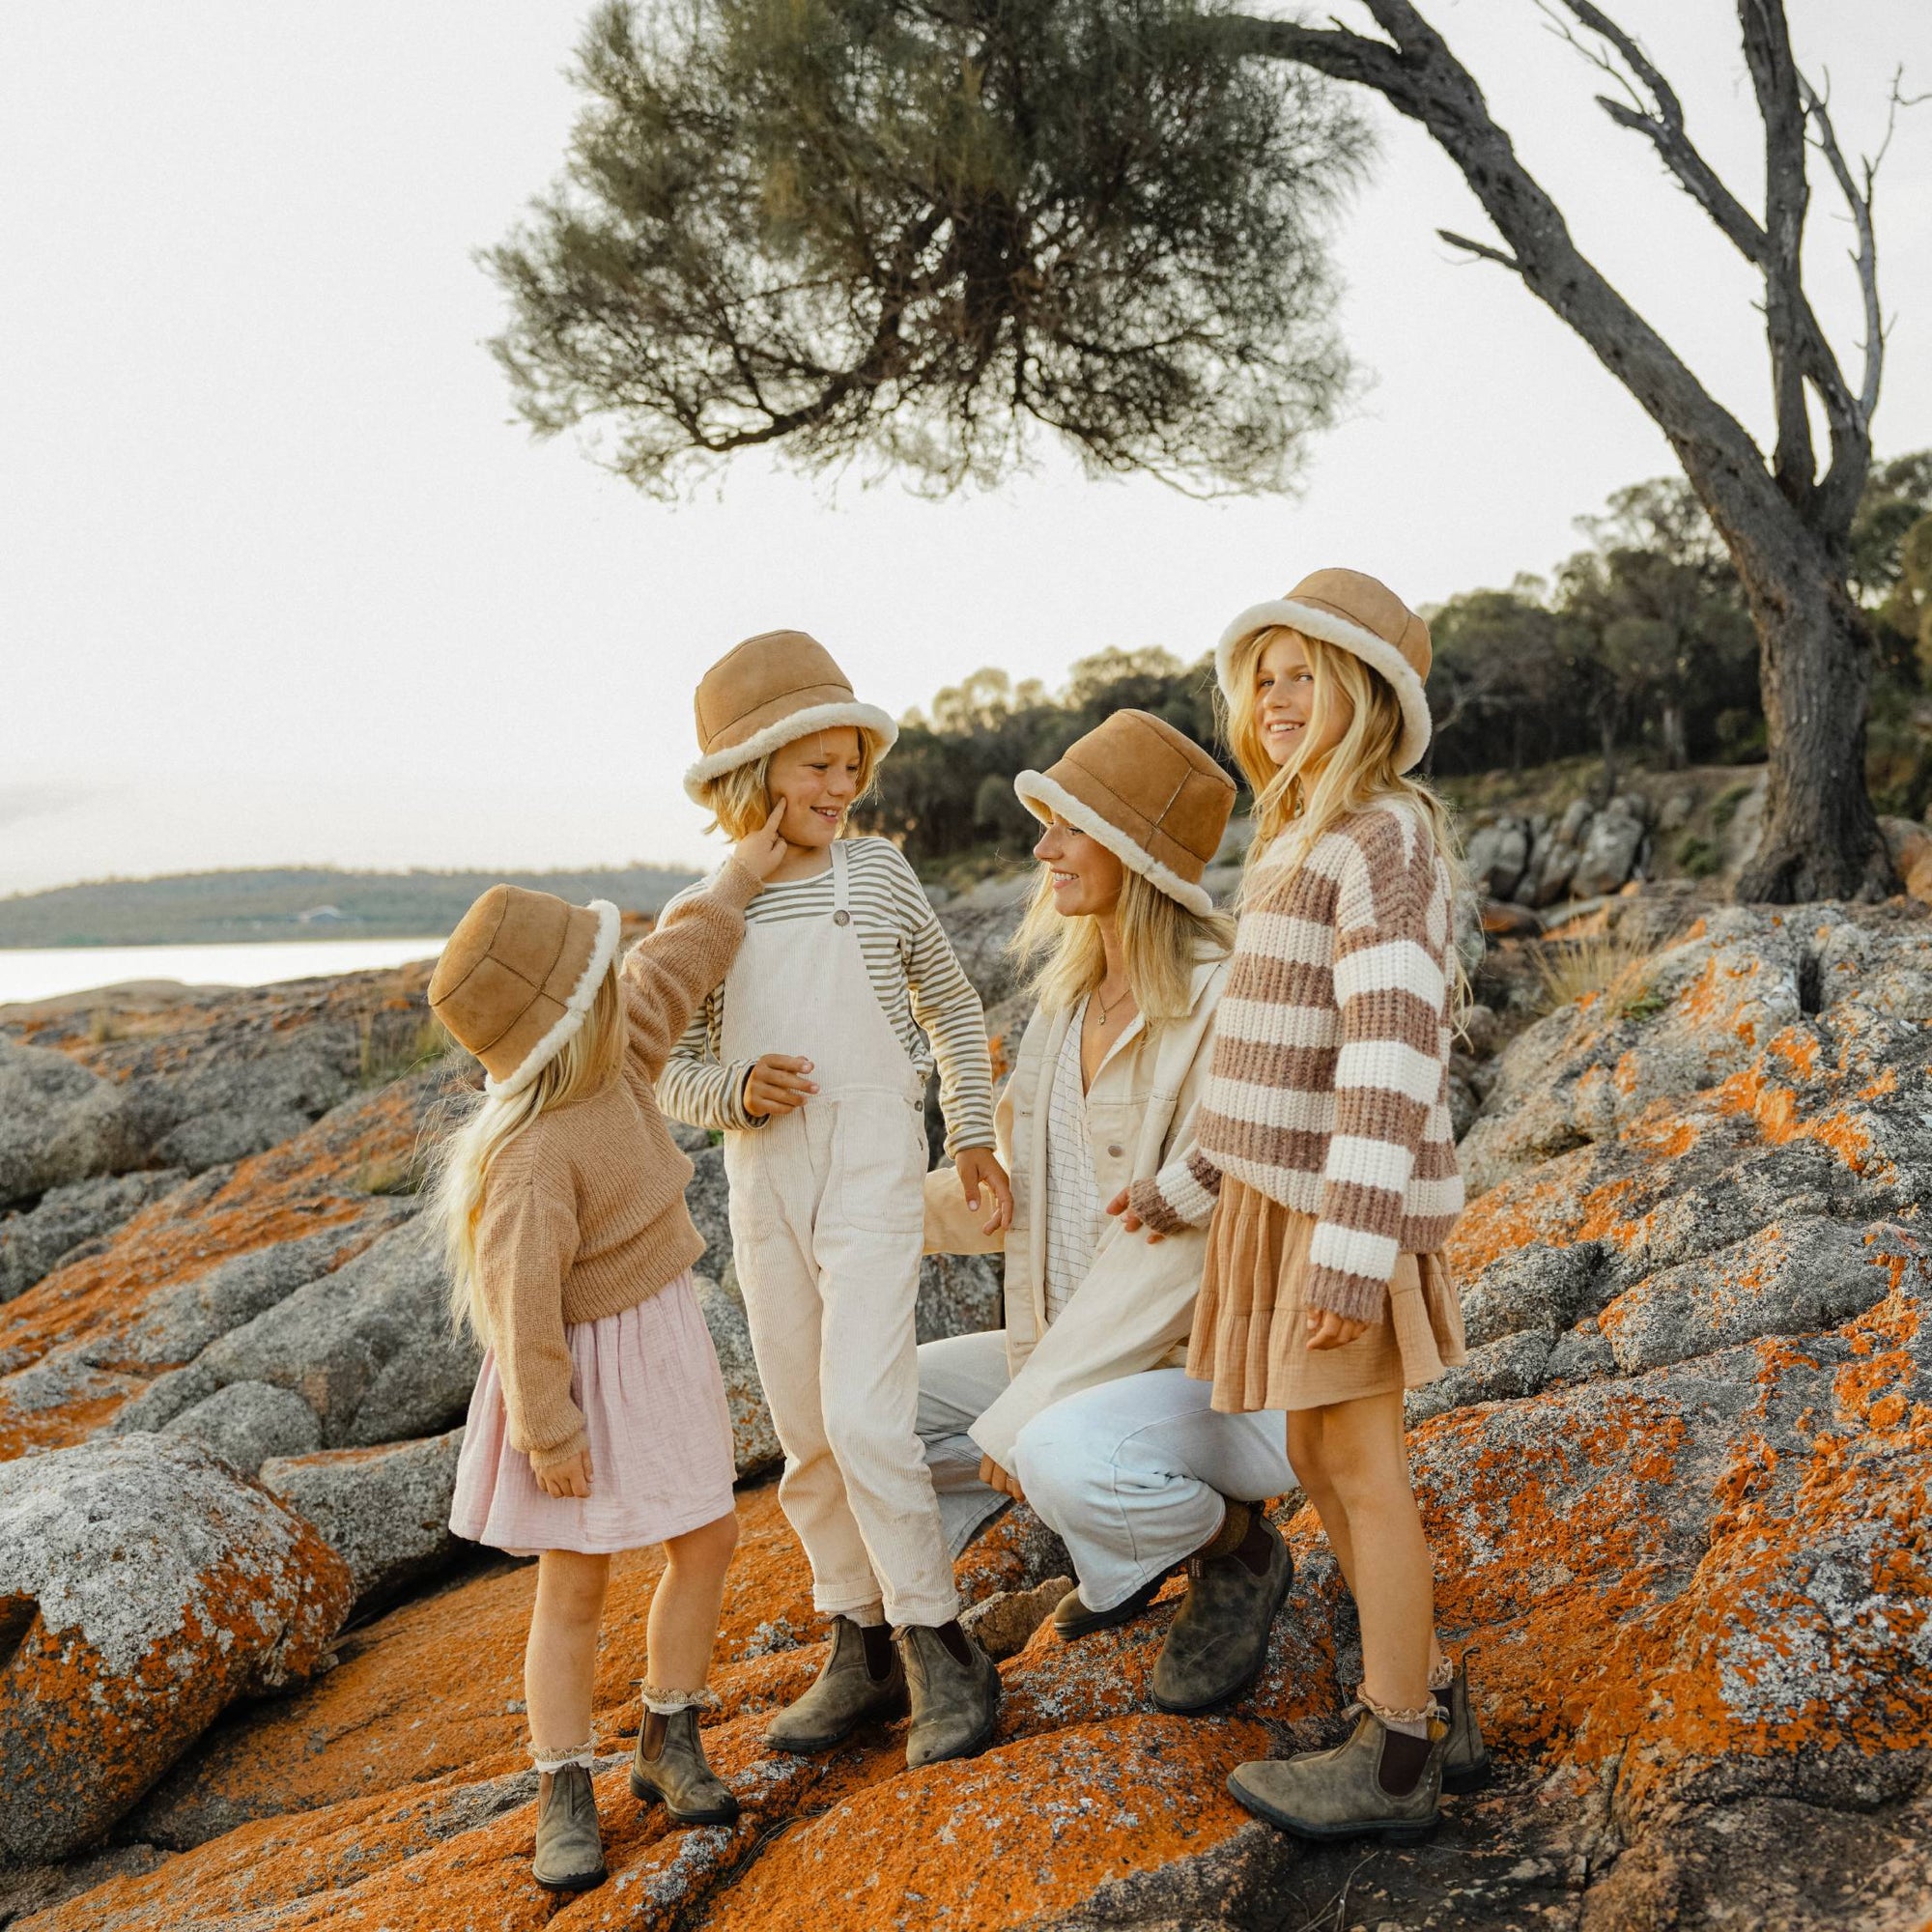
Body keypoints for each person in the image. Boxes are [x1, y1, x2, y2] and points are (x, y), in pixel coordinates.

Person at [1118, 569, 1487, 1842]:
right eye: (1262, 677)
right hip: (1290, 1202)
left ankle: (1396, 1760)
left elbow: (1390, 1053)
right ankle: (1435, 1699)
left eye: (1305, 676)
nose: (1276, 698)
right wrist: (1187, 1184)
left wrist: (1348, 1253)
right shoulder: (1294, 838)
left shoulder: (1383, 837)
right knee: (1324, 1457)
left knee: (1358, 1464)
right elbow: (1273, 1061)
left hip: (1349, 1210)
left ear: (1367, 698)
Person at [659, 629, 1013, 1771]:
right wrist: (731, 1089)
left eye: (850, 762)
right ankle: (856, 1639)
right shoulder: (707, 909)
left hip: (868, 1160)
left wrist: (967, 1133)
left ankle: (937, 1637)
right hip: (764, 1179)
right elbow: (656, 1064)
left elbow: (954, 1009)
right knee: (807, 1431)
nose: (841, 786)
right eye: (815, 764)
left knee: (866, 1414)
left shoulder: (877, 873)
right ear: (746, 774)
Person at [429, 816, 786, 1891]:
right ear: (563, 1020)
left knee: (708, 1535)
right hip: (575, 1375)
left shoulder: (621, 1053)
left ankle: (667, 1737)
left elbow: (673, 961)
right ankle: (562, 1788)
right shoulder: (533, 1151)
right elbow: (516, 1304)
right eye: (595, 982)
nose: (614, 986)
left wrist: (740, 872)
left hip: (662, 1340)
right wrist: (549, 1428)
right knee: (574, 1586)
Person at [918, 708, 1300, 1713]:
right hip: (1075, 1351)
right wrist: (853, 1227)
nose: (1040, 845)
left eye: (1065, 824)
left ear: (1131, 853)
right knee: (866, 1408)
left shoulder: (1228, 1006)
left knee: (1054, 1447)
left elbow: (1174, 1255)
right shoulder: (1066, 1000)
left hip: (1214, 1377)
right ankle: (917, 1641)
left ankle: (1236, 1548)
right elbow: (1012, 1186)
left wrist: (1025, 1404)